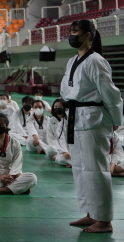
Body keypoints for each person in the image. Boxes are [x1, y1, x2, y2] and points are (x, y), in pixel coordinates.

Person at [61, 20, 122, 233]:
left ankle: (104, 220)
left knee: (96, 170)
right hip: (75, 120)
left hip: (94, 121)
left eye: (75, 32)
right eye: (70, 31)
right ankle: (90, 213)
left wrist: (116, 120)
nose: (71, 35)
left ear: (88, 35)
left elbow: (111, 94)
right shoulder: (72, 61)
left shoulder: (96, 61)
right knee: (80, 169)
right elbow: (65, 89)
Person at [45, 99, 71, 167]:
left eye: (60, 107)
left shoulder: (69, 120)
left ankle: (73, 163)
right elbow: (51, 138)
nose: (57, 108)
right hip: (57, 146)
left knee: (59, 158)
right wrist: (64, 151)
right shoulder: (51, 120)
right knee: (51, 150)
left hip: (71, 147)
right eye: (55, 106)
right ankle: (73, 163)